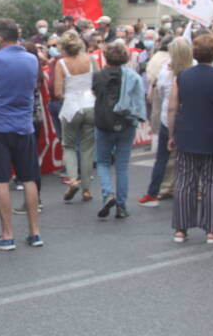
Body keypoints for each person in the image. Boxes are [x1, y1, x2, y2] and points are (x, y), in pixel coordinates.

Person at [0, 19, 42, 250]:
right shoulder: (32, 59)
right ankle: (35, 232)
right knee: (29, 178)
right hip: (24, 127)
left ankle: (7, 235)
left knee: (1, 180)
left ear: (0, 38)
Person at [168, 34, 213, 243]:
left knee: (184, 182)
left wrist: (171, 134)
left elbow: (172, 107)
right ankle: (211, 230)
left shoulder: (181, 78)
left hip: (187, 133)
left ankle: (180, 229)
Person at [92, 42, 145, 219]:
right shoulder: (133, 77)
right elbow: (139, 101)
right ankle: (121, 207)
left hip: (103, 122)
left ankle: (108, 193)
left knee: (103, 162)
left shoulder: (98, 76)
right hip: (126, 122)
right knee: (122, 166)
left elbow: (95, 94)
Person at [139, 37, 192, 207]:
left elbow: (161, 93)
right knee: (189, 158)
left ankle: (153, 192)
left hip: (167, 119)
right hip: (188, 118)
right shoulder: (194, 68)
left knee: (162, 157)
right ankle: (190, 190)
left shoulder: (165, 71)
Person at [54, 30, 96, 203]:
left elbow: (57, 92)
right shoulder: (90, 59)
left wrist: (68, 95)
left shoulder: (61, 63)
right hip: (90, 105)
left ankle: (72, 179)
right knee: (87, 148)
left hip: (71, 106)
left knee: (69, 145)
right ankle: (86, 189)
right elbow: (98, 83)